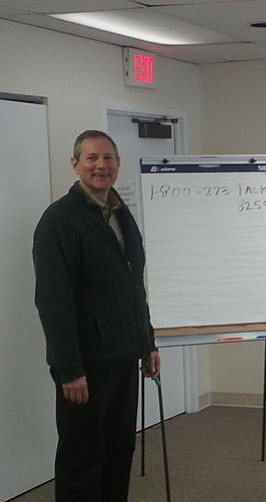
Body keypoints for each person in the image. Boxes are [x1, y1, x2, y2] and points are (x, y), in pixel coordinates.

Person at [33, 130, 160, 502]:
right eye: (91, 158)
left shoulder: (121, 215)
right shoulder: (59, 221)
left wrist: (146, 342)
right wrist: (69, 368)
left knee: (120, 450)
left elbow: (134, 287)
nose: (100, 165)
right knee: (82, 457)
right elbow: (53, 302)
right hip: (85, 366)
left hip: (123, 358)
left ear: (118, 164)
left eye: (108, 158)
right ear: (75, 165)